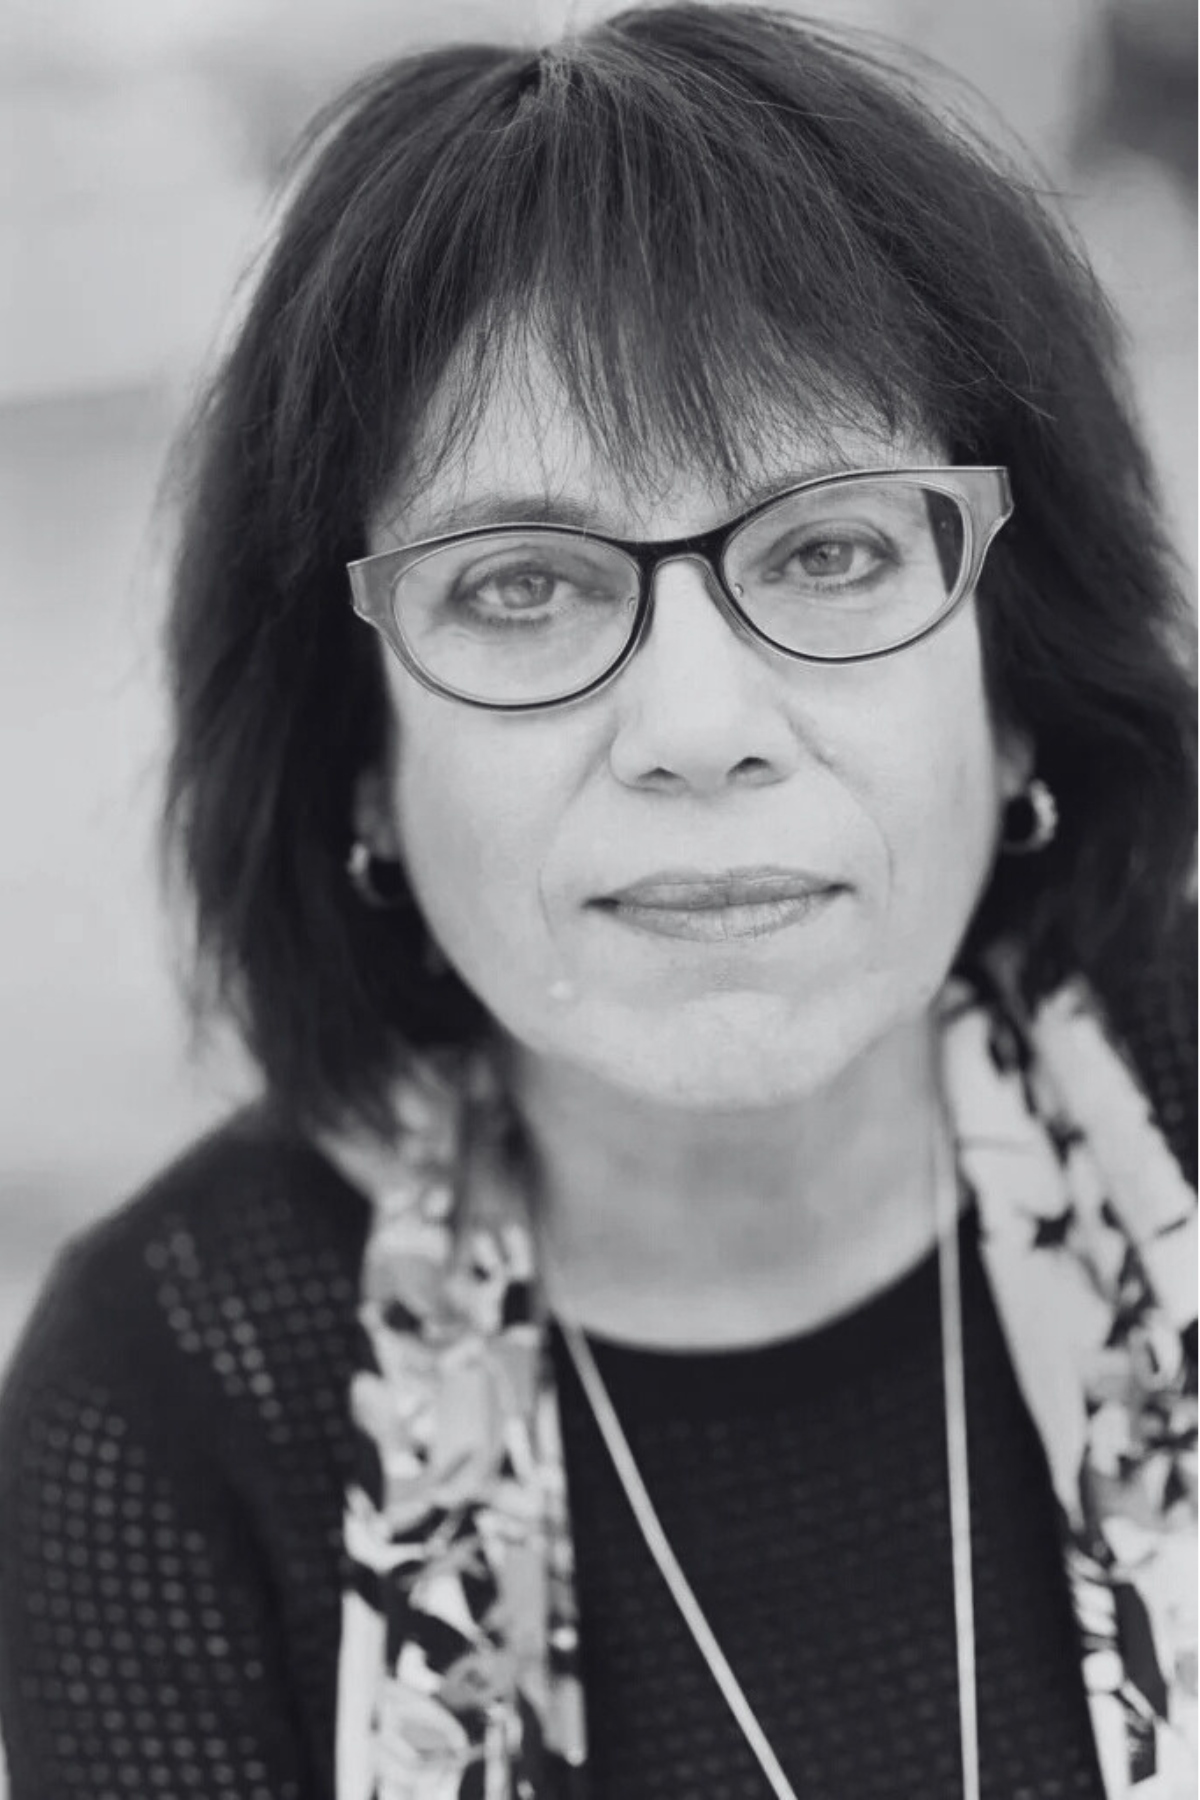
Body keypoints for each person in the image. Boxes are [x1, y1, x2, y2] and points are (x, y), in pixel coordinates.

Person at [0, 6, 1195, 1797]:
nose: (699, 731)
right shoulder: (171, 1393)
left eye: (832, 550)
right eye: (521, 586)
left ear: (1013, 682)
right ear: (360, 763)